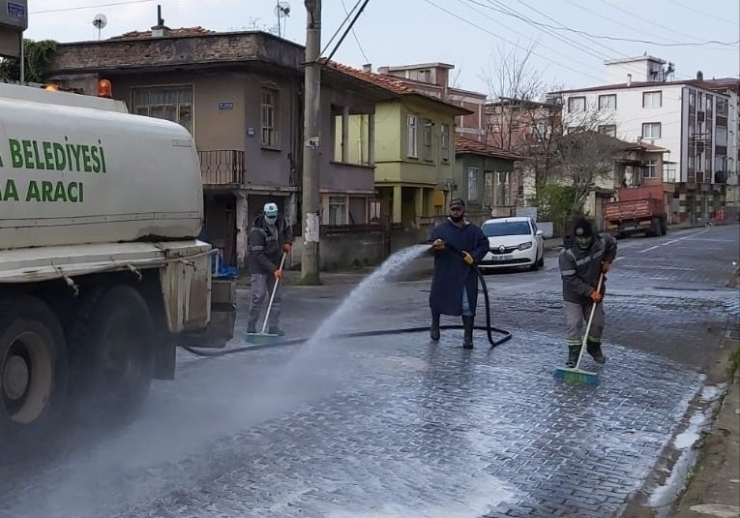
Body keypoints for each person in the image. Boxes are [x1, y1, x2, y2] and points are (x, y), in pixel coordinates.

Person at [428, 198, 490, 349]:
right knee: (436, 301)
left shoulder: (473, 231)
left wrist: (473, 257)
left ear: (463, 211)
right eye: (453, 209)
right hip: (444, 273)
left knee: (467, 304)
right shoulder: (440, 230)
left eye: (458, 209)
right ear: (449, 211)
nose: (456, 212)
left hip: (465, 274)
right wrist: (435, 247)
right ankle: (435, 326)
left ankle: (468, 337)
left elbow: (484, 245)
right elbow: (428, 248)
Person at [558, 216, 617, 367]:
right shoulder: (566, 254)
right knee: (574, 323)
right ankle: (573, 356)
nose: (584, 241)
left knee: (597, 324)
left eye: (586, 237)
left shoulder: (601, 242)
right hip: (574, 296)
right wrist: (591, 292)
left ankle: (593, 348)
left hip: (595, 293)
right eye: (580, 238)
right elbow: (571, 280)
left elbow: (613, 244)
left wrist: (608, 261)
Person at [246, 202, 293, 335]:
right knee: (258, 296)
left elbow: (288, 229)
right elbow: (258, 255)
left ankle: (273, 327)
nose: (272, 218)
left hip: (275, 262)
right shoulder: (257, 231)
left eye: (274, 216)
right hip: (259, 266)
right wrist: (273, 270)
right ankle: (251, 326)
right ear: (265, 214)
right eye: (270, 216)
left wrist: (288, 241)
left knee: (276, 297)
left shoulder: (281, 221)